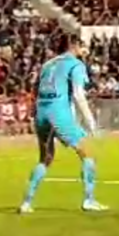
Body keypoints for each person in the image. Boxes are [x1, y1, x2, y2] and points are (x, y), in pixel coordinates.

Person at [19, 34, 105, 214]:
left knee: (46, 158)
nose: (83, 49)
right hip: (58, 113)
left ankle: (26, 203)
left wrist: (33, 113)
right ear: (73, 45)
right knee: (87, 152)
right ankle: (89, 200)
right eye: (81, 45)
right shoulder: (75, 64)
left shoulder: (47, 64)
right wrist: (90, 122)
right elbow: (78, 95)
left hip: (41, 113)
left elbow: (35, 89)